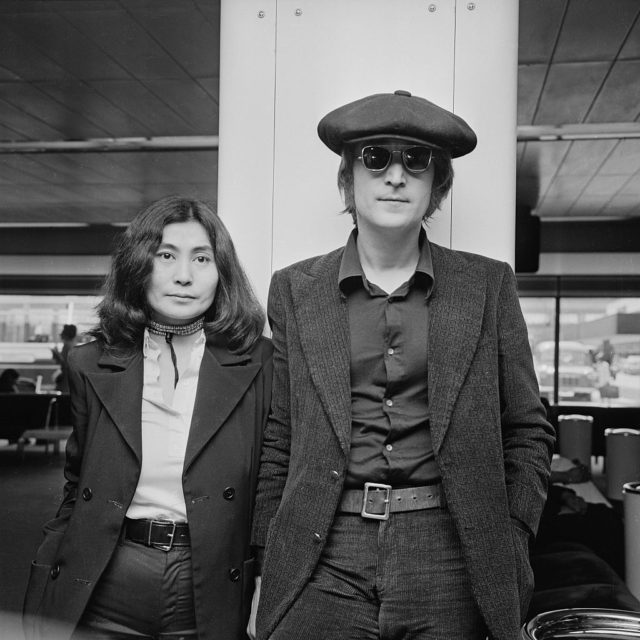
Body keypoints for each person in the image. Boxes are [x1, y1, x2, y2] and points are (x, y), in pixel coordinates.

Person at [249, 91, 555, 640]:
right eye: (375, 157)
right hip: (321, 549)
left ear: (437, 185)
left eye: (416, 161)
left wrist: (510, 535)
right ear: (348, 180)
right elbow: (281, 438)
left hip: (450, 550)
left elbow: (528, 429)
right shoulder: (295, 290)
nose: (396, 176)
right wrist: (265, 563)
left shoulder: (488, 285)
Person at [23, 196, 272, 640]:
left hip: (211, 579)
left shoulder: (262, 363)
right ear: (140, 265)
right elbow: (77, 487)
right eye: (166, 256)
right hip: (105, 578)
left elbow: (274, 487)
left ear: (222, 273)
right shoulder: (90, 362)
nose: (183, 276)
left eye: (202, 258)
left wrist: (267, 583)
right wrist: (46, 575)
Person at [51, 324, 79, 392]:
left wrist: (58, 356)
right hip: (67, 379)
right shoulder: (70, 345)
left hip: (67, 381)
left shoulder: (68, 346)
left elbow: (66, 364)